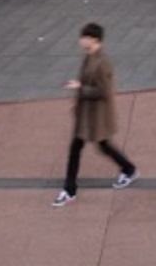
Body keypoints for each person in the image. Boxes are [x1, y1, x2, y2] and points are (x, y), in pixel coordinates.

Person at [52, 22, 138, 205]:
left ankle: (69, 190)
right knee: (93, 146)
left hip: (96, 116)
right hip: (87, 115)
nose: (81, 41)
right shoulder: (89, 56)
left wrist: (80, 88)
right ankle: (128, 169)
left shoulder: (102, 63)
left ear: (94, 40)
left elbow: (104, 91)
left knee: (91, 146)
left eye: (84, 37)